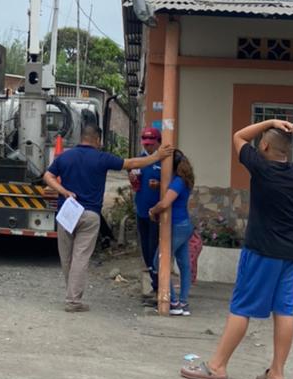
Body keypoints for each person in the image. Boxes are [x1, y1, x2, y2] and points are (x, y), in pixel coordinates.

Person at [181, 119, 293, 379]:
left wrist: (271, 121)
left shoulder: (261, 167)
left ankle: (217, 367)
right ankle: (276, 374)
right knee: (284, 309)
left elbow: (238, 137)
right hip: (290, 251)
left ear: (265, 146)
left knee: (241, 307)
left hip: (261, 250)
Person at [44, 123, 170, 312]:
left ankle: (71, 294)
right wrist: (156, 157)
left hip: (67, 212)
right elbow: (131, 164)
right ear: (97, 139)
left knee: (66, 256)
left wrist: (64, 191)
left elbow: (48, 176)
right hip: (90, 214)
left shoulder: (65, 156)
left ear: (81, 138)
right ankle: (73, 300)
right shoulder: (102, 158)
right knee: (81, 257)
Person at [149, 149, 196, 316]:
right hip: (185, 225)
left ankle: (173, 302)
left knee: (158, 261)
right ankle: (183, 302)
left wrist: (153, 211)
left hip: (176, 226)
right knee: (184, 265)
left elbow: (165, 203)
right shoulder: (184, 180)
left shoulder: (177, 182)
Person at [128, 126, 162, 299]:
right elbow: (135, 184)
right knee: (146, 251)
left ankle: (159, 288)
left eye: (151, 144)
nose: (148, 147)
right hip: (141, 211)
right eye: (145, 143)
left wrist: (160, 185)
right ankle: (154, 285)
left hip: (157, 214)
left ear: (158, 142)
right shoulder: (140, 160)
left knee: (154, 250)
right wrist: (133, 179)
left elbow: (172, 185)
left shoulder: (164, 161)